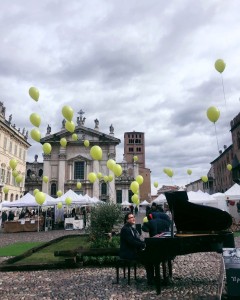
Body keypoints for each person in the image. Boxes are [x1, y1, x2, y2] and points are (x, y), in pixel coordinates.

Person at [119, 212, 155, 285]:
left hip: (132, 251)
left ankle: (151, 278)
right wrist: (143, 245)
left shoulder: (131, 228)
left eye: (133, 217)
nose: (133, 219)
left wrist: (144, 243)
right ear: (126, 220)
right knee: (148, 259)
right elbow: (131, 241)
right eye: (131, 217)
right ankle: (150, 280)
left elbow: (137, 240)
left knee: (149, 258)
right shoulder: (125, 229)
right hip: (127, 253)